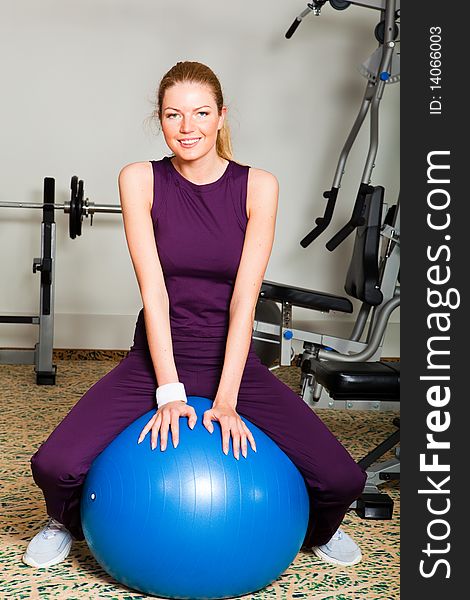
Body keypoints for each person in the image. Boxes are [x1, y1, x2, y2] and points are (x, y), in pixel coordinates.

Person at [23, 61, 366, 570]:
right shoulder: (140, 179)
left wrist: (227, 399)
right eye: (173, 115)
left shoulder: (259, 186)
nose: (188, 128)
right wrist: (169, 390)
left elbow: (243, 301)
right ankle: (66, 523)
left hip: (232, 359)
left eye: (201, 113)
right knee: (54, 465)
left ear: (222, 116)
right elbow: (154, 294)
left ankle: (312, 532)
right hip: (155, 357)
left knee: (343, 480)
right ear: (159, 120)